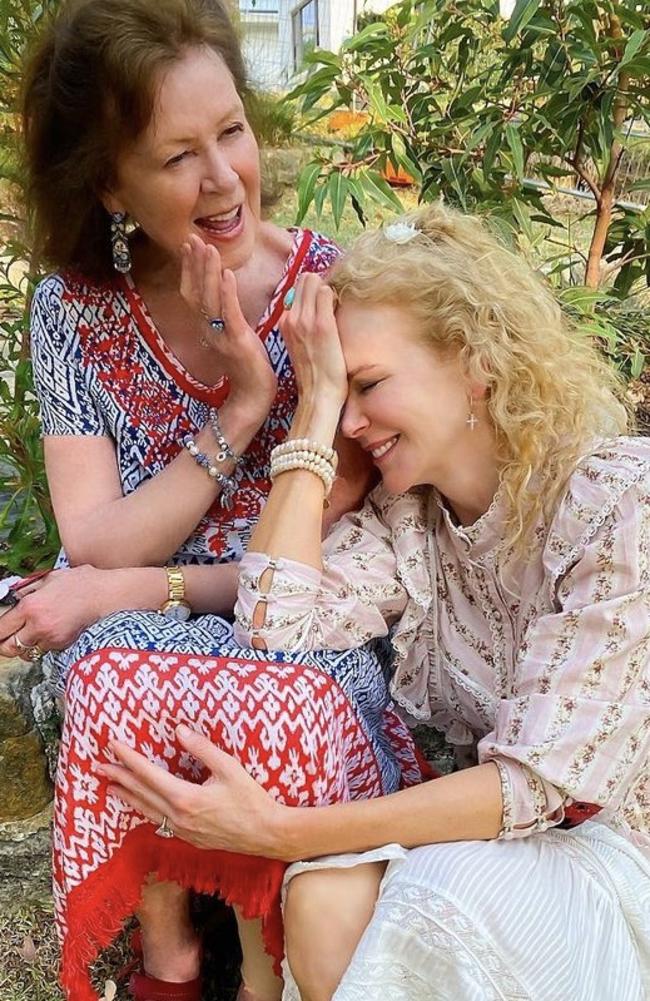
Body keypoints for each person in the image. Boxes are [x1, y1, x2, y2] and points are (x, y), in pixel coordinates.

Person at [101, 203, 649, 1001]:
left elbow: (534, 785)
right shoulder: (409, 522)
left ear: (475, 362)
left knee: (433, 897)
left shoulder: (617, 500)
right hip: (517, 849)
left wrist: (278, 831)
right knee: (320, 898)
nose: (355, 422)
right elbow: (272, 627)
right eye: (340, 391)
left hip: (621, 855)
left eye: (369, 384)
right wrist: (313, 411)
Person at [4, 2, 426, 999]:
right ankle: (169, 956)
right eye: (175, 155)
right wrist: (241, 407)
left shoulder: (326, 287)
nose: (223, 177)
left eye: (230, 131)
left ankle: (262, 964)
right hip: (138, 614)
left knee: (229, 669)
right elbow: (94, 541)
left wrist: (131, 588)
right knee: (107, 666)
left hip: (298, 613)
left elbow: (326, 558)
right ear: (108, 183)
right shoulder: (72, 307)